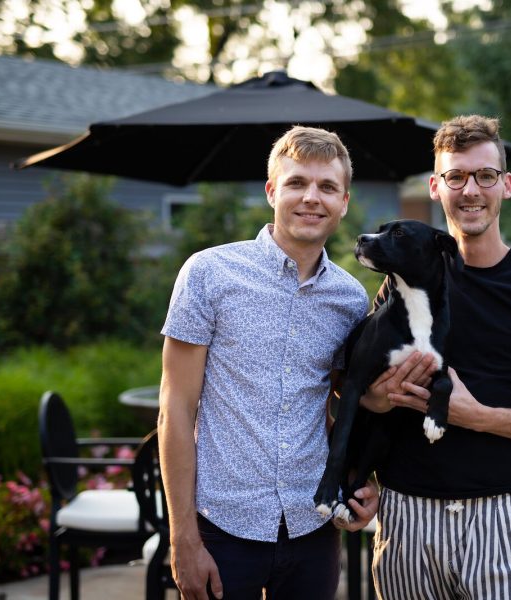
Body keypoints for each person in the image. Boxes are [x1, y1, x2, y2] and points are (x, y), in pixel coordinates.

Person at [361, 115, 511, 600]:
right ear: (435, 187)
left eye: (485, 175)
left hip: (496, 516)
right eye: (456, 177)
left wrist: (478, 417)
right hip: (405, 517)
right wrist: (376, 403)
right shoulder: (401, 280)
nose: (471, 190)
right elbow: (362, 393)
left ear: (505, 185)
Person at [158, 125, 380, 600]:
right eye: (297, 183)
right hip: (221, 526)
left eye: (327, 187)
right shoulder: (208, 274)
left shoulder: (350, 298)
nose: (311, 198)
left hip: (312, 526)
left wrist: (364, 480)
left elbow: (347, 403)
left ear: (344, 201)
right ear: (271, 191)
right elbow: (175, 407)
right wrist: (183, 539)